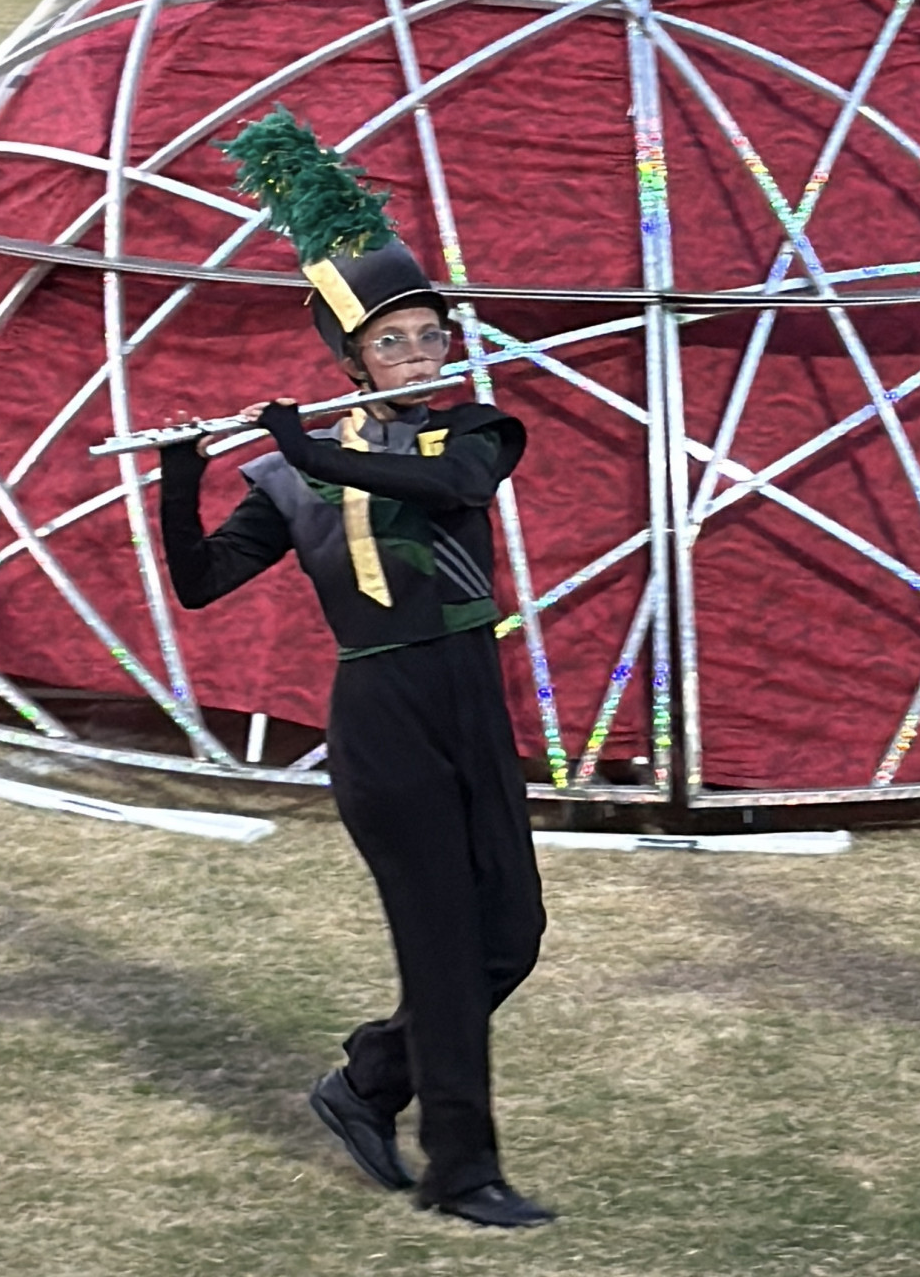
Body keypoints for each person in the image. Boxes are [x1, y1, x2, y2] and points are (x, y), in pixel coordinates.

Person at [157, 109, 551, 1230]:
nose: (419, 356)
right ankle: (460, 1172)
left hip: (470, 698)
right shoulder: (290, 481)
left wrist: (310, 448)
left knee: (510, 937)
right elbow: (199, 582)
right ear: (348, 361)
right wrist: (183, 476)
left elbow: (449, 491)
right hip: (381, 714)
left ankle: (369, 1080)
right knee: (441, 948)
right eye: (392, 344)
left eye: (430, 337)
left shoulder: (472, 433)